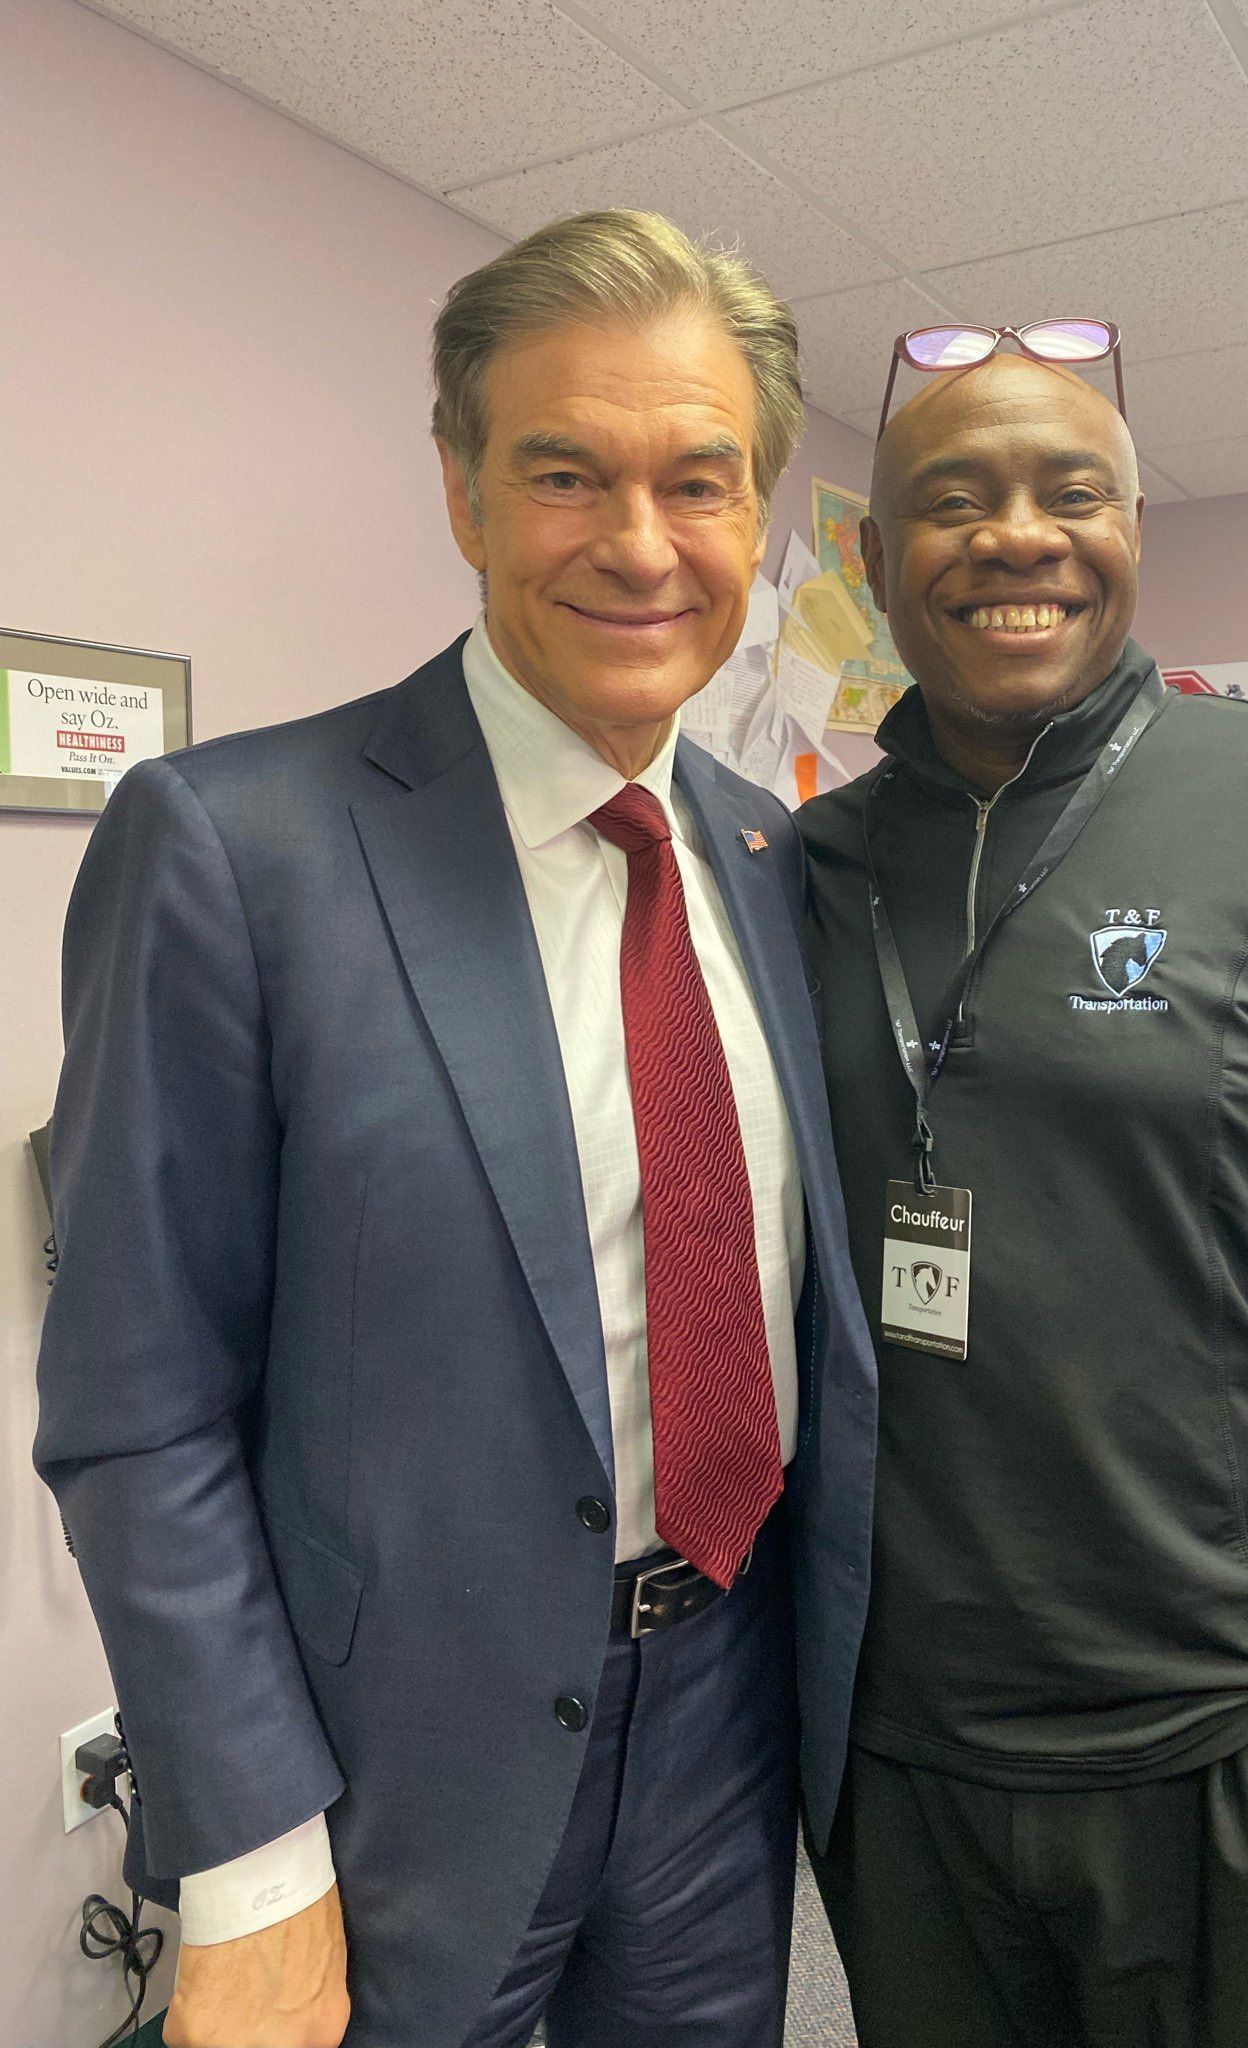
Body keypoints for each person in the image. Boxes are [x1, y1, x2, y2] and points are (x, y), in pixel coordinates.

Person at [34, 210, 877, 2048]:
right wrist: (250, 1862)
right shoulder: (233, 848)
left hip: (729, 1708)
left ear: (763, 511)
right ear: (461, 489)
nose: (639, 544)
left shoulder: (773, 858)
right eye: (564, 471)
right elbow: (133, 1406)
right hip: (386, 1760)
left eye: (699, 482)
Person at [797, 338, 1248, 2048]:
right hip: (908, 1765)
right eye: (953, 500)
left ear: (1136, 525)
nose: (1017, 536)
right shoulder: (809, 868)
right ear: (877, 554)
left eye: (1072, 492)